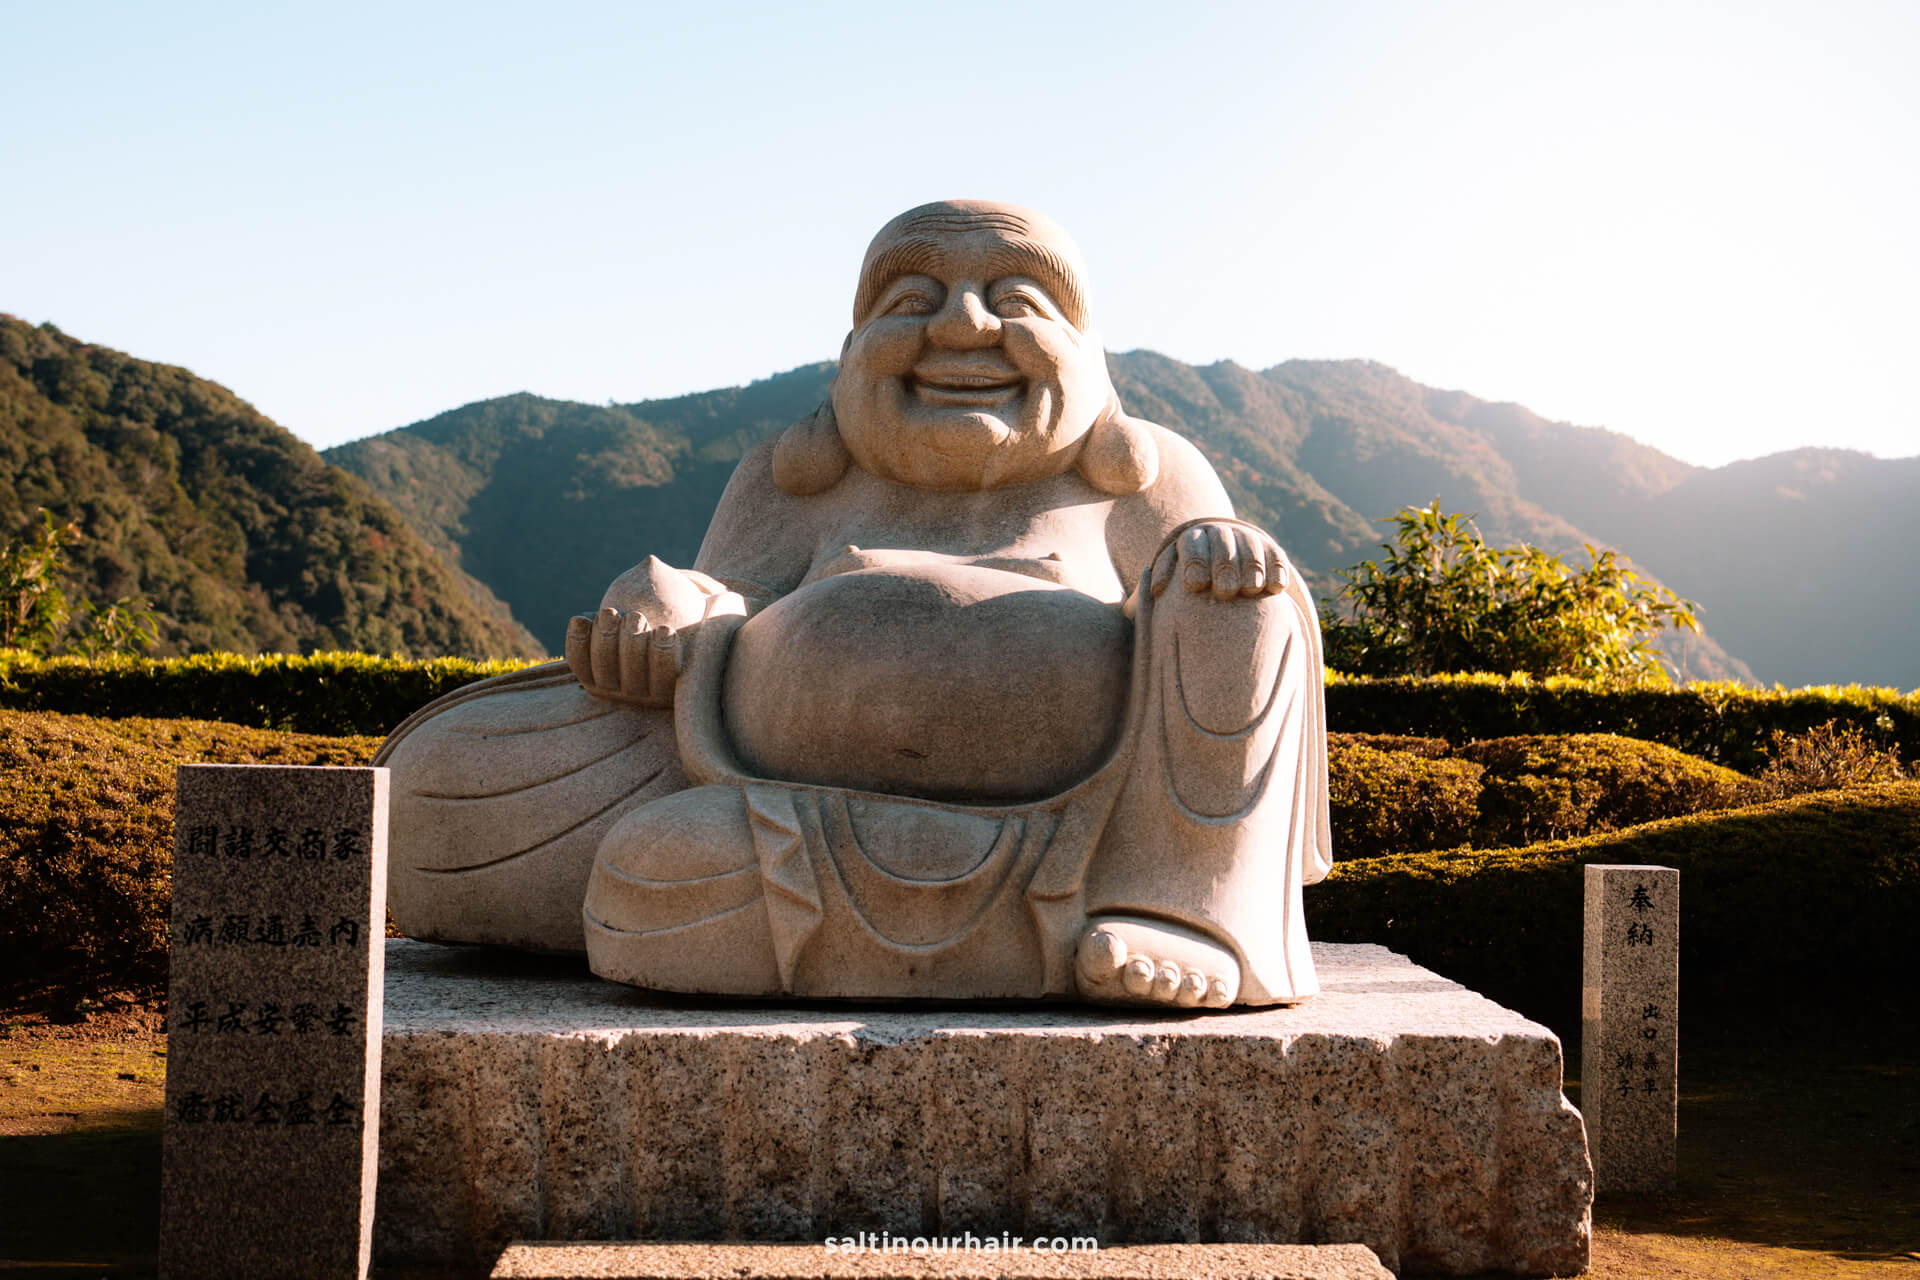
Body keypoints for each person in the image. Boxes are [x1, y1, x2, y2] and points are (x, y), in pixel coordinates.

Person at [377, 200, 1331, 1007]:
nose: (963, 328)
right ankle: (1034, 945)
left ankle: (1184, 910)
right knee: (471, 806)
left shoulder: (1147, 479)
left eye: (1018, 302)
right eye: (913, 301)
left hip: (1101, 829)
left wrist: (1222, 556)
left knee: (1247, 596)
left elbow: (1221, 632)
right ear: (850, 349)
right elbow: (720, 607)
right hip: (794, 815)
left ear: (1089, 357)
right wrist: (662, 610)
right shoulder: (792, 482)